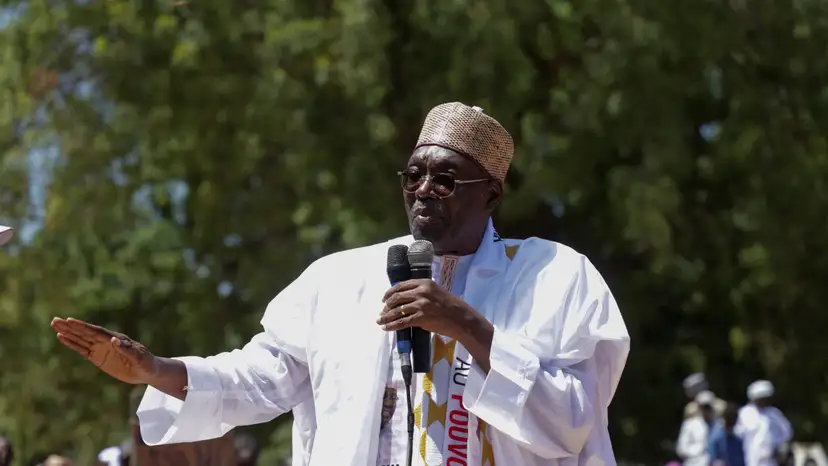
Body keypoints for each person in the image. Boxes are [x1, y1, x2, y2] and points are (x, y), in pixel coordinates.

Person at [50, 102, 631, 465]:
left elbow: (573, 422)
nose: (424, 189)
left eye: (447, 179)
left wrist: (464, 323)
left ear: (492, 195)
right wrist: (157, 370)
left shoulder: (555, 275)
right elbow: (259, 380)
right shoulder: (340, 280)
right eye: (415, 175)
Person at [736, 380, 793, 466]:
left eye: (766, 398)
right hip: (753, 459)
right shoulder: (745, 413)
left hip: (772, 460)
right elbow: (738, 435)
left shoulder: (775, 414)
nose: (764, 401)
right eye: (761, 398)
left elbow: (787, 434)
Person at [677, 390, 718, 466]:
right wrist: (698, 450)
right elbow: (681, 449)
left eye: (708, 407)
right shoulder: (690, 425)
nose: (706, 410)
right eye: (703, 407)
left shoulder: (719, 425)